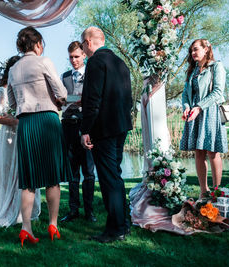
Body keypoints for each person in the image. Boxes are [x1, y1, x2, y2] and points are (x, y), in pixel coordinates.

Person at [7, 26, 72, 247]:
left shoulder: (13, 69)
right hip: (47, 120)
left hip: (25, 123)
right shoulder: (44, 61)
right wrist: (58, 102)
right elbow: (62, 93)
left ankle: (26, 229)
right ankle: (53, 224)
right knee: (52, 178)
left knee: (29, 181)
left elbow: (12, 104)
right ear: (38, 44)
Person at [80, 26, 133, 243]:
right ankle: (123, 224)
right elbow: (128, 100)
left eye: (83, 44)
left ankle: (116, 229)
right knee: (115, 176)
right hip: (121, 126)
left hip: (104, 129)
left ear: (89, 42)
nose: (83, 49)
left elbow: (93, 100)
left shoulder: (95, 62)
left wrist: (85, 130)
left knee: (108, 178)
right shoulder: (121, 63)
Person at [0, 56, 41, 228]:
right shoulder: (2, 91)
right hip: (11, 136)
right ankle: (11, 208)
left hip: (25, 134)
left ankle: (27, 209)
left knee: (25, 170)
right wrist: (18, 121)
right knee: (10, 170)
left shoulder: (23, 90)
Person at [180, 39, 228, 199]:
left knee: (212, 152)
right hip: (194, 114)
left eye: (195, 49)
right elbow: (185, 94)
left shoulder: (216, 67)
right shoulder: (192, 71)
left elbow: (218, 92)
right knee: (198, 153)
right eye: (191, 51)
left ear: (206, 49)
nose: (193, 53)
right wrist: (187, 107)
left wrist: (199, 106)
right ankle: (203, 191)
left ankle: (216, 191)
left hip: (209, 112)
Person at [60, 41, 96, 223]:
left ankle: (89, 211)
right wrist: (67, 100)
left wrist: (81, 101)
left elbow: (94, 99)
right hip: (67, 125)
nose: (73, 60)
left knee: (88, 171)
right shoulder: (64, 76)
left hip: (86, 126)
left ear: (83, 55)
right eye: (70, 57)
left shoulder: (92, 73)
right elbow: (60, 99)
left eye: (76, 56)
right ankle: (73, 210)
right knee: (72, 172)